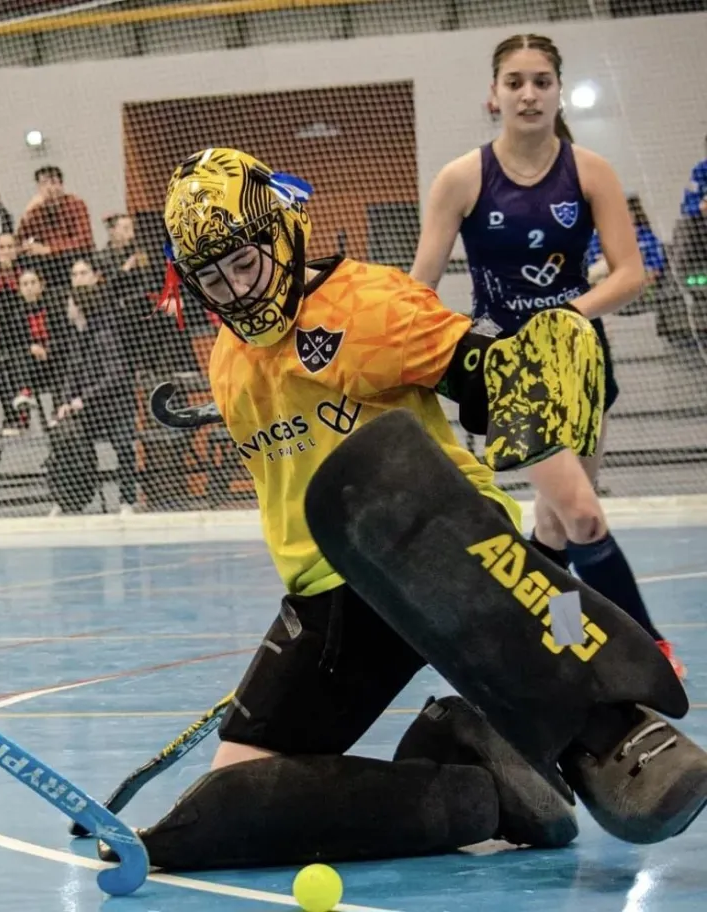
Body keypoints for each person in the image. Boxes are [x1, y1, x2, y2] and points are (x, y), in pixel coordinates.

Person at [112, 146, 707, 873]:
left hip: (431, 547)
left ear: (282, 238)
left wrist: (528, 374)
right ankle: (474, 780)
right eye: (213, 278)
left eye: (245, 264)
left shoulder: (366, 305)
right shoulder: (227, 361)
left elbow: (479, 369)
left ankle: (609, 729)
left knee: (234, 812)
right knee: (238, 796)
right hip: (325, 594)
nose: (236, 290)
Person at [408, 33, 685, 679]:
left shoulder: (591, 171)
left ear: (558, 90)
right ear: (493, 94)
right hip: (511, 368)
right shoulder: (461, 179)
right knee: (586, 514)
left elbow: (630, 273)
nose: (528, 93)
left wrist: (567, 315)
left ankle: (554, 637)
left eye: (540, 81)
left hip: (583, 358)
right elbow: (417, 285)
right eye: (514, 81)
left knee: (558, 523)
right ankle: (649, 650)